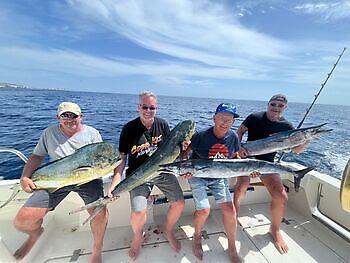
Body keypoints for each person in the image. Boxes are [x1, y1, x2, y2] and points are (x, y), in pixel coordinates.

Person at [14, 102, 108, 263]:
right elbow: (37, 156)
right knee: (23, 220)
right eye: (65, 115)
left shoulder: (92, 133)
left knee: (99, 213)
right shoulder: (49, 133)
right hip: (57, 179)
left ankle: (97, 248)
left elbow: (99, 158)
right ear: (58, 117)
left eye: (74, 116)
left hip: (87, 179)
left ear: (81, 117)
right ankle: (35, 234)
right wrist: (25, 177)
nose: (70, 119)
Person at [107, 91, 185, 261]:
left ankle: (168, 230)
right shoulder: (128, 129)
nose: (148, 110)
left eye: (152, 107)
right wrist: (115, 182)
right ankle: (137, 238)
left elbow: (171, 150)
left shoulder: (163, 125)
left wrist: (184, 147)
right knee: (137, 212)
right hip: (138, 175)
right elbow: (122, 159)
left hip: (161, 171)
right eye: (145, 107)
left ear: (156, 108)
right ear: (138, 107)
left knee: (179, 202)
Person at [234, 94, 308, 254]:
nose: (276, 108)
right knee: (241, 186)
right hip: (248, 160)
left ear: (285, 108)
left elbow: (296, 150)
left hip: (268, 164)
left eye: (280, 106)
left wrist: (304, 143)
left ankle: (275, 230)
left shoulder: (287, 126)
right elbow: (240, 131)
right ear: (268, 104)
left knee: (281, 196)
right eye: (273, 104)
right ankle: (233, 218)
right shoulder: (254, 117)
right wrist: (238, 149)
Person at [180, 103, 241, 262]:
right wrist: (186, 170)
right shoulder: (201, 135)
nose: (225, 122)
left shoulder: (233, 137)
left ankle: (232, 247)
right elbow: (184, 156)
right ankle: (197, 236)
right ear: (214, 118)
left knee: (230, 211)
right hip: (198, 175)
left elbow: (235, 158)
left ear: (233, 122)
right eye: (221, 118)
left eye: (229, 120)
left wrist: (248, 168)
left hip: (218, 176)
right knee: (204, 210)